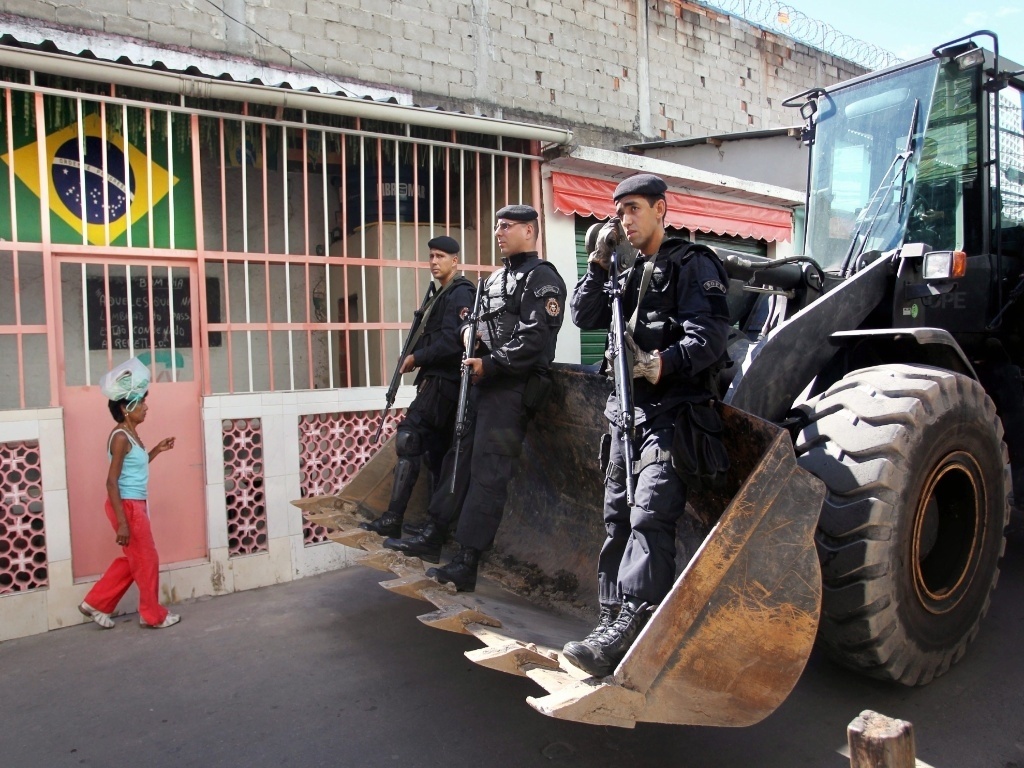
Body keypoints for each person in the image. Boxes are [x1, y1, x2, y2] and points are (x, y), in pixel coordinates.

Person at [562, 173, 731, 677]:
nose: (624, 220)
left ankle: (636, 622)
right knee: (616, 518)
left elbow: (713, 336)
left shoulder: (693, 263)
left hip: (671, 414)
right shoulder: (626, 273)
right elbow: (583, 315)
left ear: (662, 208)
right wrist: (596, 264)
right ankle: (611, 620)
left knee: (648, 518)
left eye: (633, 208)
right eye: (619, 212)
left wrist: (665, 362)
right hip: (625, 416)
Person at [383, 204, 566, 592]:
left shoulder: (542, 278)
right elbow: (473, 319)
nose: (498, 232)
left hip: (510, 388)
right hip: (479, 384)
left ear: (530, 231)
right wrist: (469, 334)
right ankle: (435, 534)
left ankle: (467, 560)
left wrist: (492, 363)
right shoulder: (495, 280)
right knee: (456, 460)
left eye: (507, 226)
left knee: (488, 472)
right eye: (496, 226)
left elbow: (536, 339)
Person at [359, 235, 476, 538]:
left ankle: (393, 518)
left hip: (445, 382)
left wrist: (417, 356)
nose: (434, 262)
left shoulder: (460, 293)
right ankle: (434, 527)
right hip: (434, 381)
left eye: (441, 256)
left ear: (455, 260)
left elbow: (455, 340)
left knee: (409, 438)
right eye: (431, 256)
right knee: (436, 456)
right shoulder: (438, 294)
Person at [78, 384, 181, 629]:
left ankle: (95, 603)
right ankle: (151, 615)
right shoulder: (121, 437)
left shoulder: (130, 434)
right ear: (125, 408)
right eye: (141, 403)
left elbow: (135, 469)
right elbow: (111, 482)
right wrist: (122, 522)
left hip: (134, 504)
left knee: (134, 559)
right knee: (147, 560)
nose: (146, 407)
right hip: (127, 507)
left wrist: (157, 449)